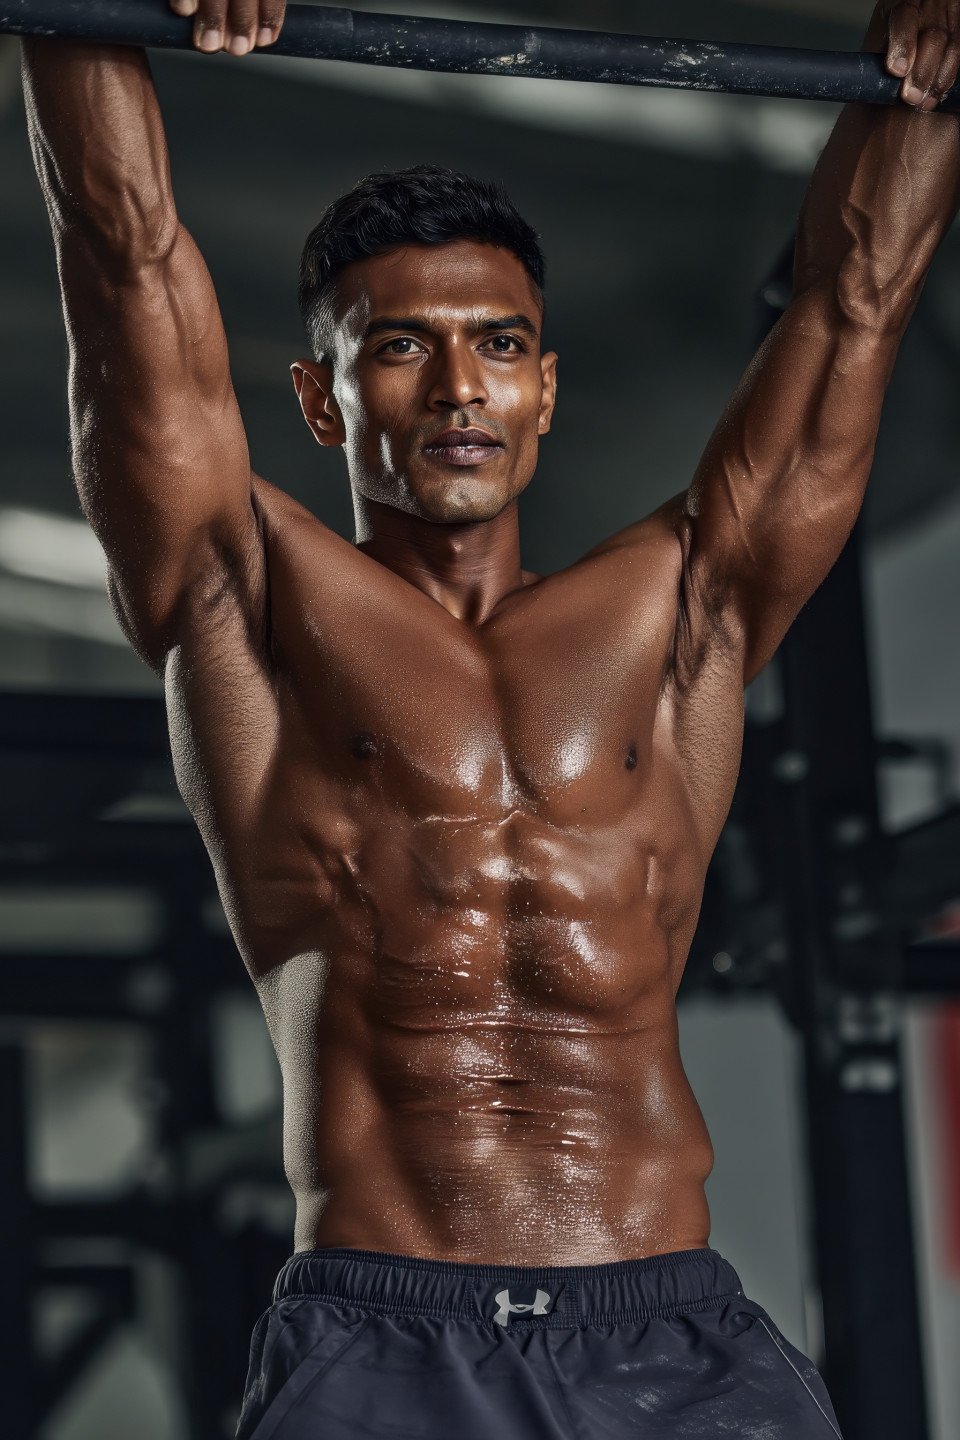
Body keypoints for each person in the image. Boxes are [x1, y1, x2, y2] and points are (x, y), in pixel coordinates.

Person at [18, 0, 960, 1434]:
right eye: (401, 346)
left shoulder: (679, 611)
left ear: (545, 388)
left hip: (671, 1339)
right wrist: (98, 13)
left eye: (500, 344)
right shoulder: (242, 596)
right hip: (387, 1337)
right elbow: (119, 247)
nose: (460, 387)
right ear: (322, 400)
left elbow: (857, 303)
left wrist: (926, 79)